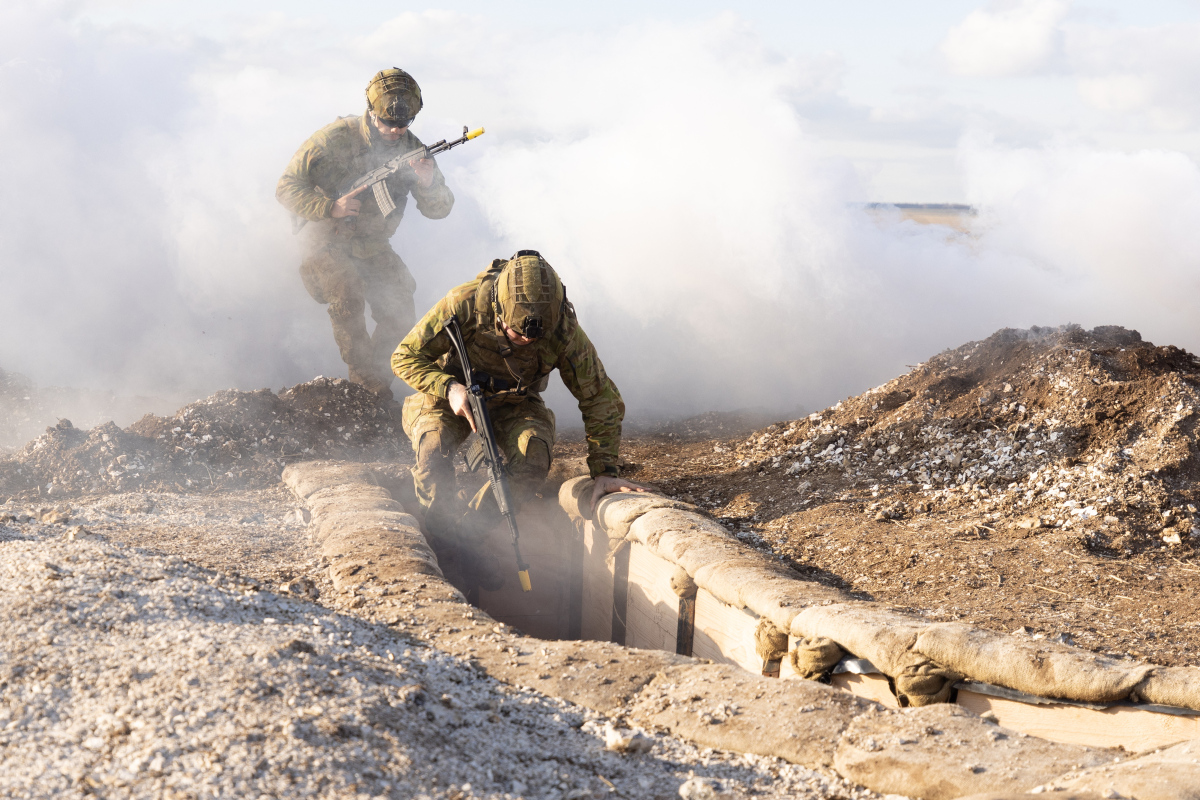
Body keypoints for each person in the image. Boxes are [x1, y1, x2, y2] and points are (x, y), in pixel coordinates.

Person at [391, 250, 648, 589]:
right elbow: (404, 356)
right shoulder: (465, 303)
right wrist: (449, 386)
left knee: (533, 456)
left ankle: (468, 534)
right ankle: (441, 541)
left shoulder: (562, 329)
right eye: (517, 334)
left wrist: (604, 472)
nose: (527, 341)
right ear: (498, 312)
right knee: (432, 447)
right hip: (450, 397)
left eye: (535, 339)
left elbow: (600, 397)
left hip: (516, 402)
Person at [276, 68, 454, 401]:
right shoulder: (333, 139)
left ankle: (378, 381)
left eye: (405, 124)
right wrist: (331, 207)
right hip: (324, 240)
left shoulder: (413, 150)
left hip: (372, 246)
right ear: (372, 112)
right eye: (388, 122)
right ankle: (363, 379)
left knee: (401, 300)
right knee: (347, 293)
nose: (396, 130)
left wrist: (428, 182)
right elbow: (285, 188)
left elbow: (440, 208)